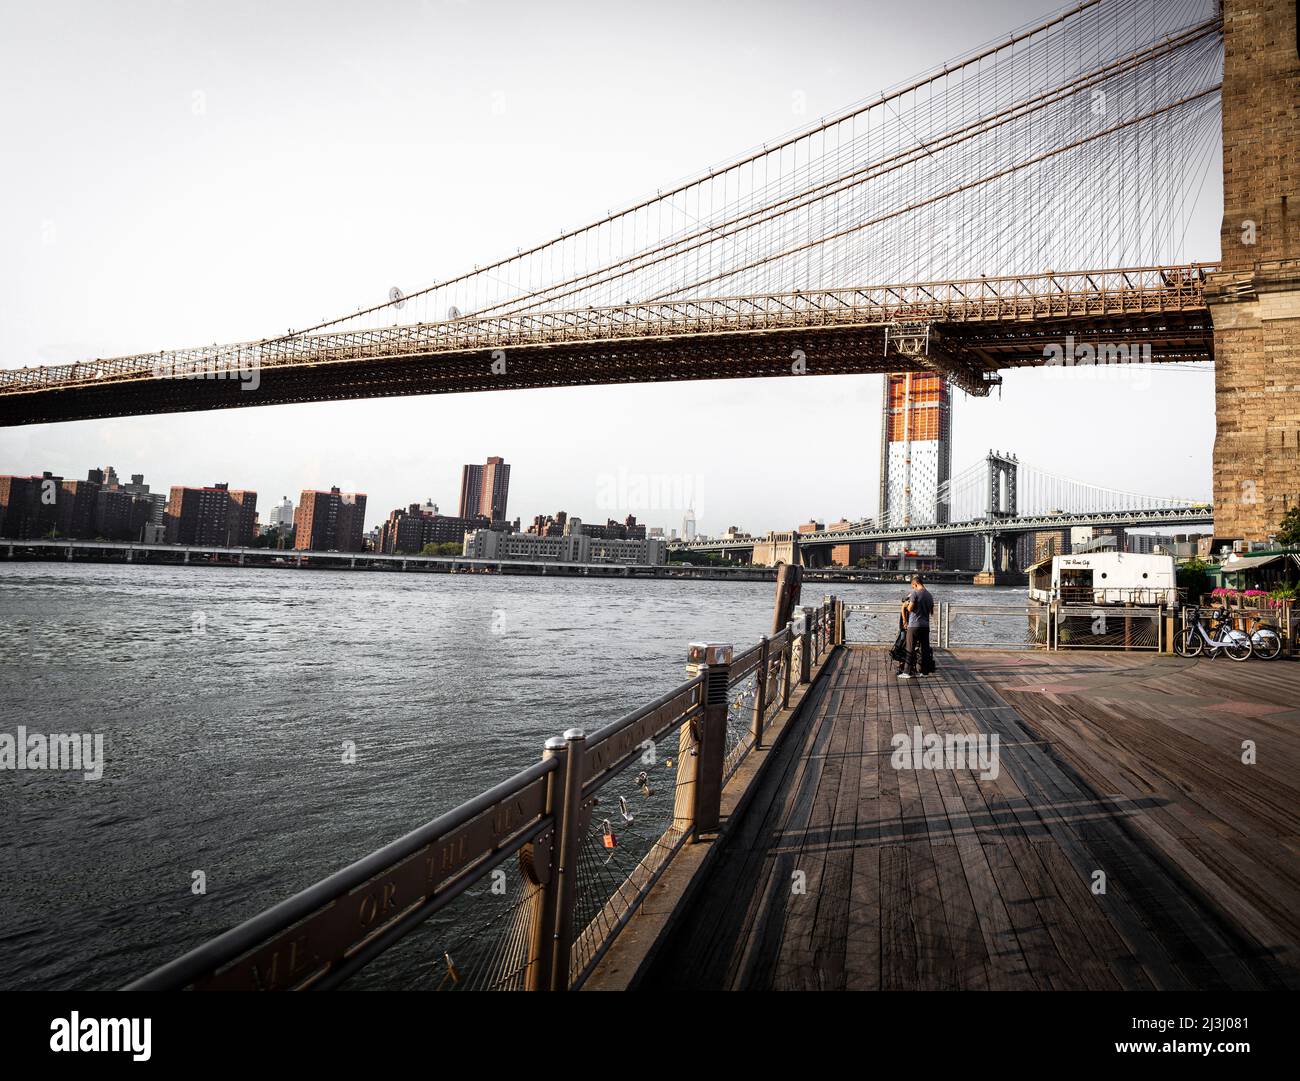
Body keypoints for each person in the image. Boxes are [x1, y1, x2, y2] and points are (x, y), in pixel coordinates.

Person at [896, 574, 935, 679]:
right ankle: (924, 672)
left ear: (915, 584)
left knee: (910, 648)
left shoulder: (915, 593)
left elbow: (910, 609)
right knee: (925, 649)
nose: (912, 588)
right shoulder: (929, 595)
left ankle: (907, 672)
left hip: (914, 625)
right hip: (925, 625)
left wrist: (907, 605)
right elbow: (931, 611)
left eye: (912, 586)